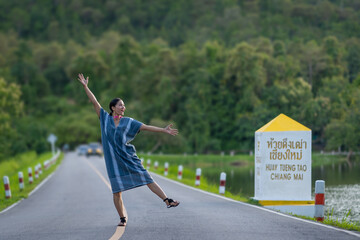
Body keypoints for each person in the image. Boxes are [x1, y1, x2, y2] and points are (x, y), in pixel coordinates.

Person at [77, 73, 180, 227]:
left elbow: (145, 127)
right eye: (120, 105)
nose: (123, 107)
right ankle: (122, 219)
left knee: (147, 177)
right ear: (113, 108)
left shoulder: (129, 122)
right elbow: (94, 101)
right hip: (113, 161)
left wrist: (163, 130)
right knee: (116, 191)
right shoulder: (104, 118)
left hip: (128, 157)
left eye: (124, 105)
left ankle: (167, 200)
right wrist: (86, 87)